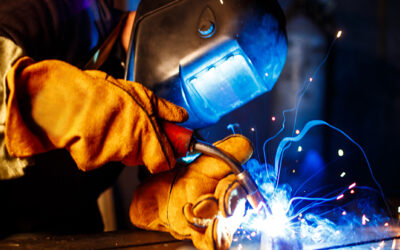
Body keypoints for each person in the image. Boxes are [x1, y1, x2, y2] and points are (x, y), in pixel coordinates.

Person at [0, 0, 287, 249]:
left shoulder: (148, 116)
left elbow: (144, 202)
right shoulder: (60, 11)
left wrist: (175, 200)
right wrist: (61, 107)